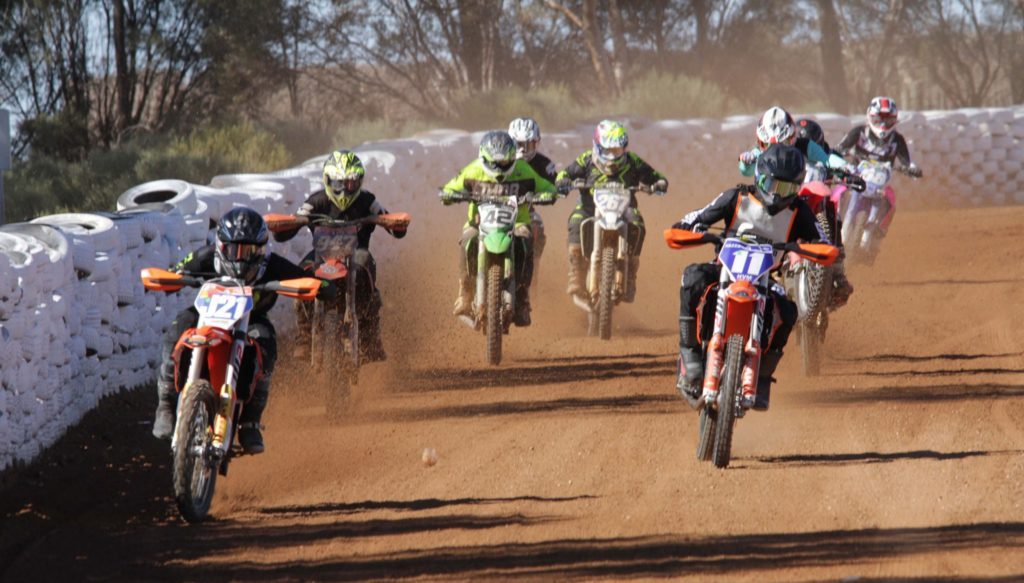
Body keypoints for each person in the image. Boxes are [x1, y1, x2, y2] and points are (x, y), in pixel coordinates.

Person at [151, 207, 325, 453]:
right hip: (207, 317)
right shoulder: (207, 256)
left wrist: (324, 285)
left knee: (267, 344)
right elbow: (177, 272)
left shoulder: (272, 265)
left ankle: (249, 422)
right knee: (175, 331)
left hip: (251, 320)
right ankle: (166, 405)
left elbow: (306, 280)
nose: (241, 258)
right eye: (234, 250)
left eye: (250, 251)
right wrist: (172, 279)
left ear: (262, 249)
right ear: (221, 246)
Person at [672, 144, 828, 411]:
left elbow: (822, 239)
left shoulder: (799, 211)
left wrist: (819, 249)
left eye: (788, 189)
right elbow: (699, 215)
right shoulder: (736, 197)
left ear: (798, 188)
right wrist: (689, 226)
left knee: (789, 312)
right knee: (692, 279)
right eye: (774, 185)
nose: (779, 195)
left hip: (765, 281)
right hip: (724, 270)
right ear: (759, 176)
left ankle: (763, 377)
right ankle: (690, 354)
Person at [273, 149, 407, 362]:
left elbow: (387, 218)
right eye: (339, 183)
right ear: (328, 181)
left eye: (351, 183)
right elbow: (297, 219)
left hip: (356, 254)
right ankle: (305, 334)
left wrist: (394, 223)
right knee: (300, 275)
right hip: (321, 255)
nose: (345, 189)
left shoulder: (367, 201)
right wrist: (286, 226)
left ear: (359, 182)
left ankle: (369, 335)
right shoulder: (316, 201)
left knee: (368, 273)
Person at [440, 130, 558, 327]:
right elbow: (451, 187)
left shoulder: (523, 170)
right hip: (478, 223)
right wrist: (449, 195)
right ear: (484, 157)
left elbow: (547, 187)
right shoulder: (473, 170)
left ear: (512, 158)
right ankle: (465, 293)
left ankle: (522, 297)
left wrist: (548, 194)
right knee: (468, 238)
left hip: (517, 222)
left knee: (526, 240)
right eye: (495, 163)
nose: (499, 167)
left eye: (504, 162)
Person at [557, 119, 668, 302]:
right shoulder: (586, 160)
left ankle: (630, 272)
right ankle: (576, 272)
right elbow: (564, 173)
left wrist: (658, 184)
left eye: (616, 151)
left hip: (625, 209)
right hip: (589, 208)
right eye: (607, 151)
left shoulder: (632, 161)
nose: (611, 156)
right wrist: (564, 182)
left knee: (638, 223)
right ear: (597, 146)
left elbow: (656, 176)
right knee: (575, 220)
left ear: (623, 148)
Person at [834, 96, 923, 236]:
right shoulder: (859, 132)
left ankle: (879, 231)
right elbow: (841, 147)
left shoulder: (897, 140)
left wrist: (912, 168)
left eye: (887, 120)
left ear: (894, 120)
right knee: (838, 191)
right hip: (855, 173)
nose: (882, 124)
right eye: (879, 119)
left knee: (890, 200)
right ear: (870, 116)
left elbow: (906, 160)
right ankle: (833, 221)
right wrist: (837, 154)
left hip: (880, 180)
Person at [738, 106, 852, 177]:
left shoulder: (805, 146)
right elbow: (746, 171)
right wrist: (745, 161)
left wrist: (846, 166)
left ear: (792, 136)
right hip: (768, 197)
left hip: (798, 196)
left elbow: (827, 160)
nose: (776, 149)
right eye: (768, 145)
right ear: (761, 141)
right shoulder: (759, 152)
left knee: (819, 216)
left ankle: (823, 217)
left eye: (783, 142)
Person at [508, 117, 559, 262]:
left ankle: (531, 267)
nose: (523, 149)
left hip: (524, 210)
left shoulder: (543, 164)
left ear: (536, 143)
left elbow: (556, 183)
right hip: (494, 209)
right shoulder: (501, 160)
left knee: (536, 224)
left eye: (528, 144)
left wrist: (552, 192)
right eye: (519, 144)